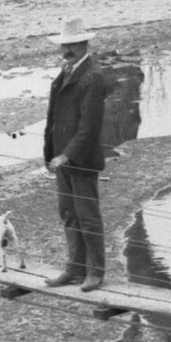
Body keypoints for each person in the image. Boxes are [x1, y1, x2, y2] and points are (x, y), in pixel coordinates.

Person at [42, 26, 110, 291]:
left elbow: (89, 128)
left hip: (80, 159)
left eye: (72, 45)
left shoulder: (93, 78)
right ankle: (75, 268)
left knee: (88, 216)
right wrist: (50, 154)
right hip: (61, 158)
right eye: (63, 45)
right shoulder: (66, 72)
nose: (66, 50)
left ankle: (95, 272)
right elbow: (54, 117)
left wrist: (67, 155)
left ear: (84, 44)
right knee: (68, 213)